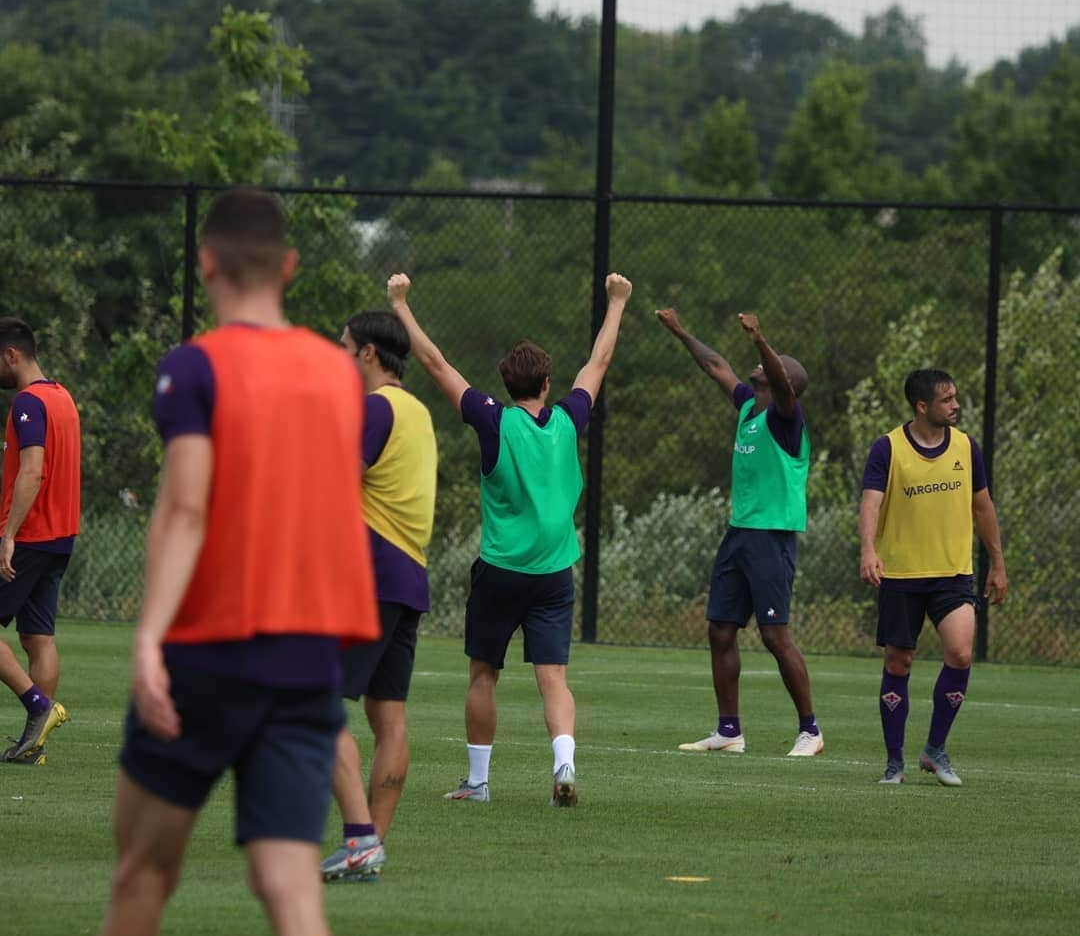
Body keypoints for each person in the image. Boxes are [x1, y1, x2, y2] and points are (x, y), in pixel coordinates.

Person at [90, 189, 379, 936]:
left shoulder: (194, 364)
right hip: (307, 654)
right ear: (288, 267)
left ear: (206, 262)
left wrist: (148, 636)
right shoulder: (337, 373)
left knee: (143, 876)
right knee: (292, 891)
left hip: (208, 647)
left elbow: (186, 506)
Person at [388, 270, 631, 808]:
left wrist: (402, 306)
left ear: (506, 384)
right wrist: (616, 303)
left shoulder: (493, 420)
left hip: (500, 570)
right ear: (547, 385)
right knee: (554, 677)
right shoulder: (568, 419)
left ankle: (478, 783)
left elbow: (435, 365)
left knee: (483, 674)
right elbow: (599, 363)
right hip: (553, 573)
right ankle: (564, 762)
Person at [655, 308, 823, 757]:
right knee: (720, 630)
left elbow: (783, 385)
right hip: (740, 534)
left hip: (772, 536)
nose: (762, 367)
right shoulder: (750, 405)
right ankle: (729, 731)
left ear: (781, 378)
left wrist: (760, 341)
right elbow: (716, 367)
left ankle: (811, 730)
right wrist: (681, 330)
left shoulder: (787, 418)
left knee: (774, 636)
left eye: (773, 364)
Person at [320, 306, 438, 883]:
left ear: (367, 353)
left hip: (369, 573)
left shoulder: (373, 408)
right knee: (387, 714)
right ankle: (371, 847)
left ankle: (360, 839)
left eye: (345, 348)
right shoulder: (417, 412)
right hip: (410, 577)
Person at [859, 368, 1007, 786]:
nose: (956, 405)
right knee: (899, 662)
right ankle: (894, 763)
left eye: (955, 398)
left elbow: (982, 506)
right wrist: (869, 550)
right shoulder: (887, 448)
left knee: (961, 653)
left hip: (953, 573)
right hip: (902, 574)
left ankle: (935, 750)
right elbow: (871, 503)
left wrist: (997, 562)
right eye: (947, 400)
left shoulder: (966, 447)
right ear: (922, 406)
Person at [0, 317, 80, 765]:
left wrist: (8, 535)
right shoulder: (62, 397)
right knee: (38, 638)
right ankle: (36, 746)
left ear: (12, 355)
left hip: (30, 535)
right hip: (60, 536)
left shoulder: (28, 404)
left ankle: (39, 707)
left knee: (37, 639)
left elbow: (33, 470)